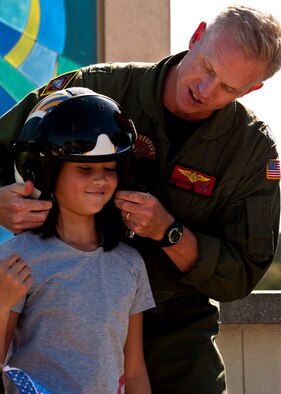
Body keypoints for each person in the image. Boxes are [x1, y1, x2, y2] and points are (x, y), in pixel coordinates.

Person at [0, 4, 280, 393]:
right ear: (196, 36)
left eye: (228, 89)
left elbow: (241, 275)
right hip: (66, 321)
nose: (205, 90)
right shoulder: (98, 88)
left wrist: (171, 233)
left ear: (252, 90)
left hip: (178, 334)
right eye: (208, 68)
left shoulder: (253, 151)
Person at [0, 88, 155, 394]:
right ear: (46, 173)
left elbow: (134, 370)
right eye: (84, 169)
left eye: (109, 169)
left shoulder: (130, 264)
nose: (100, 179)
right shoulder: (16, 260)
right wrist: (3, 303)